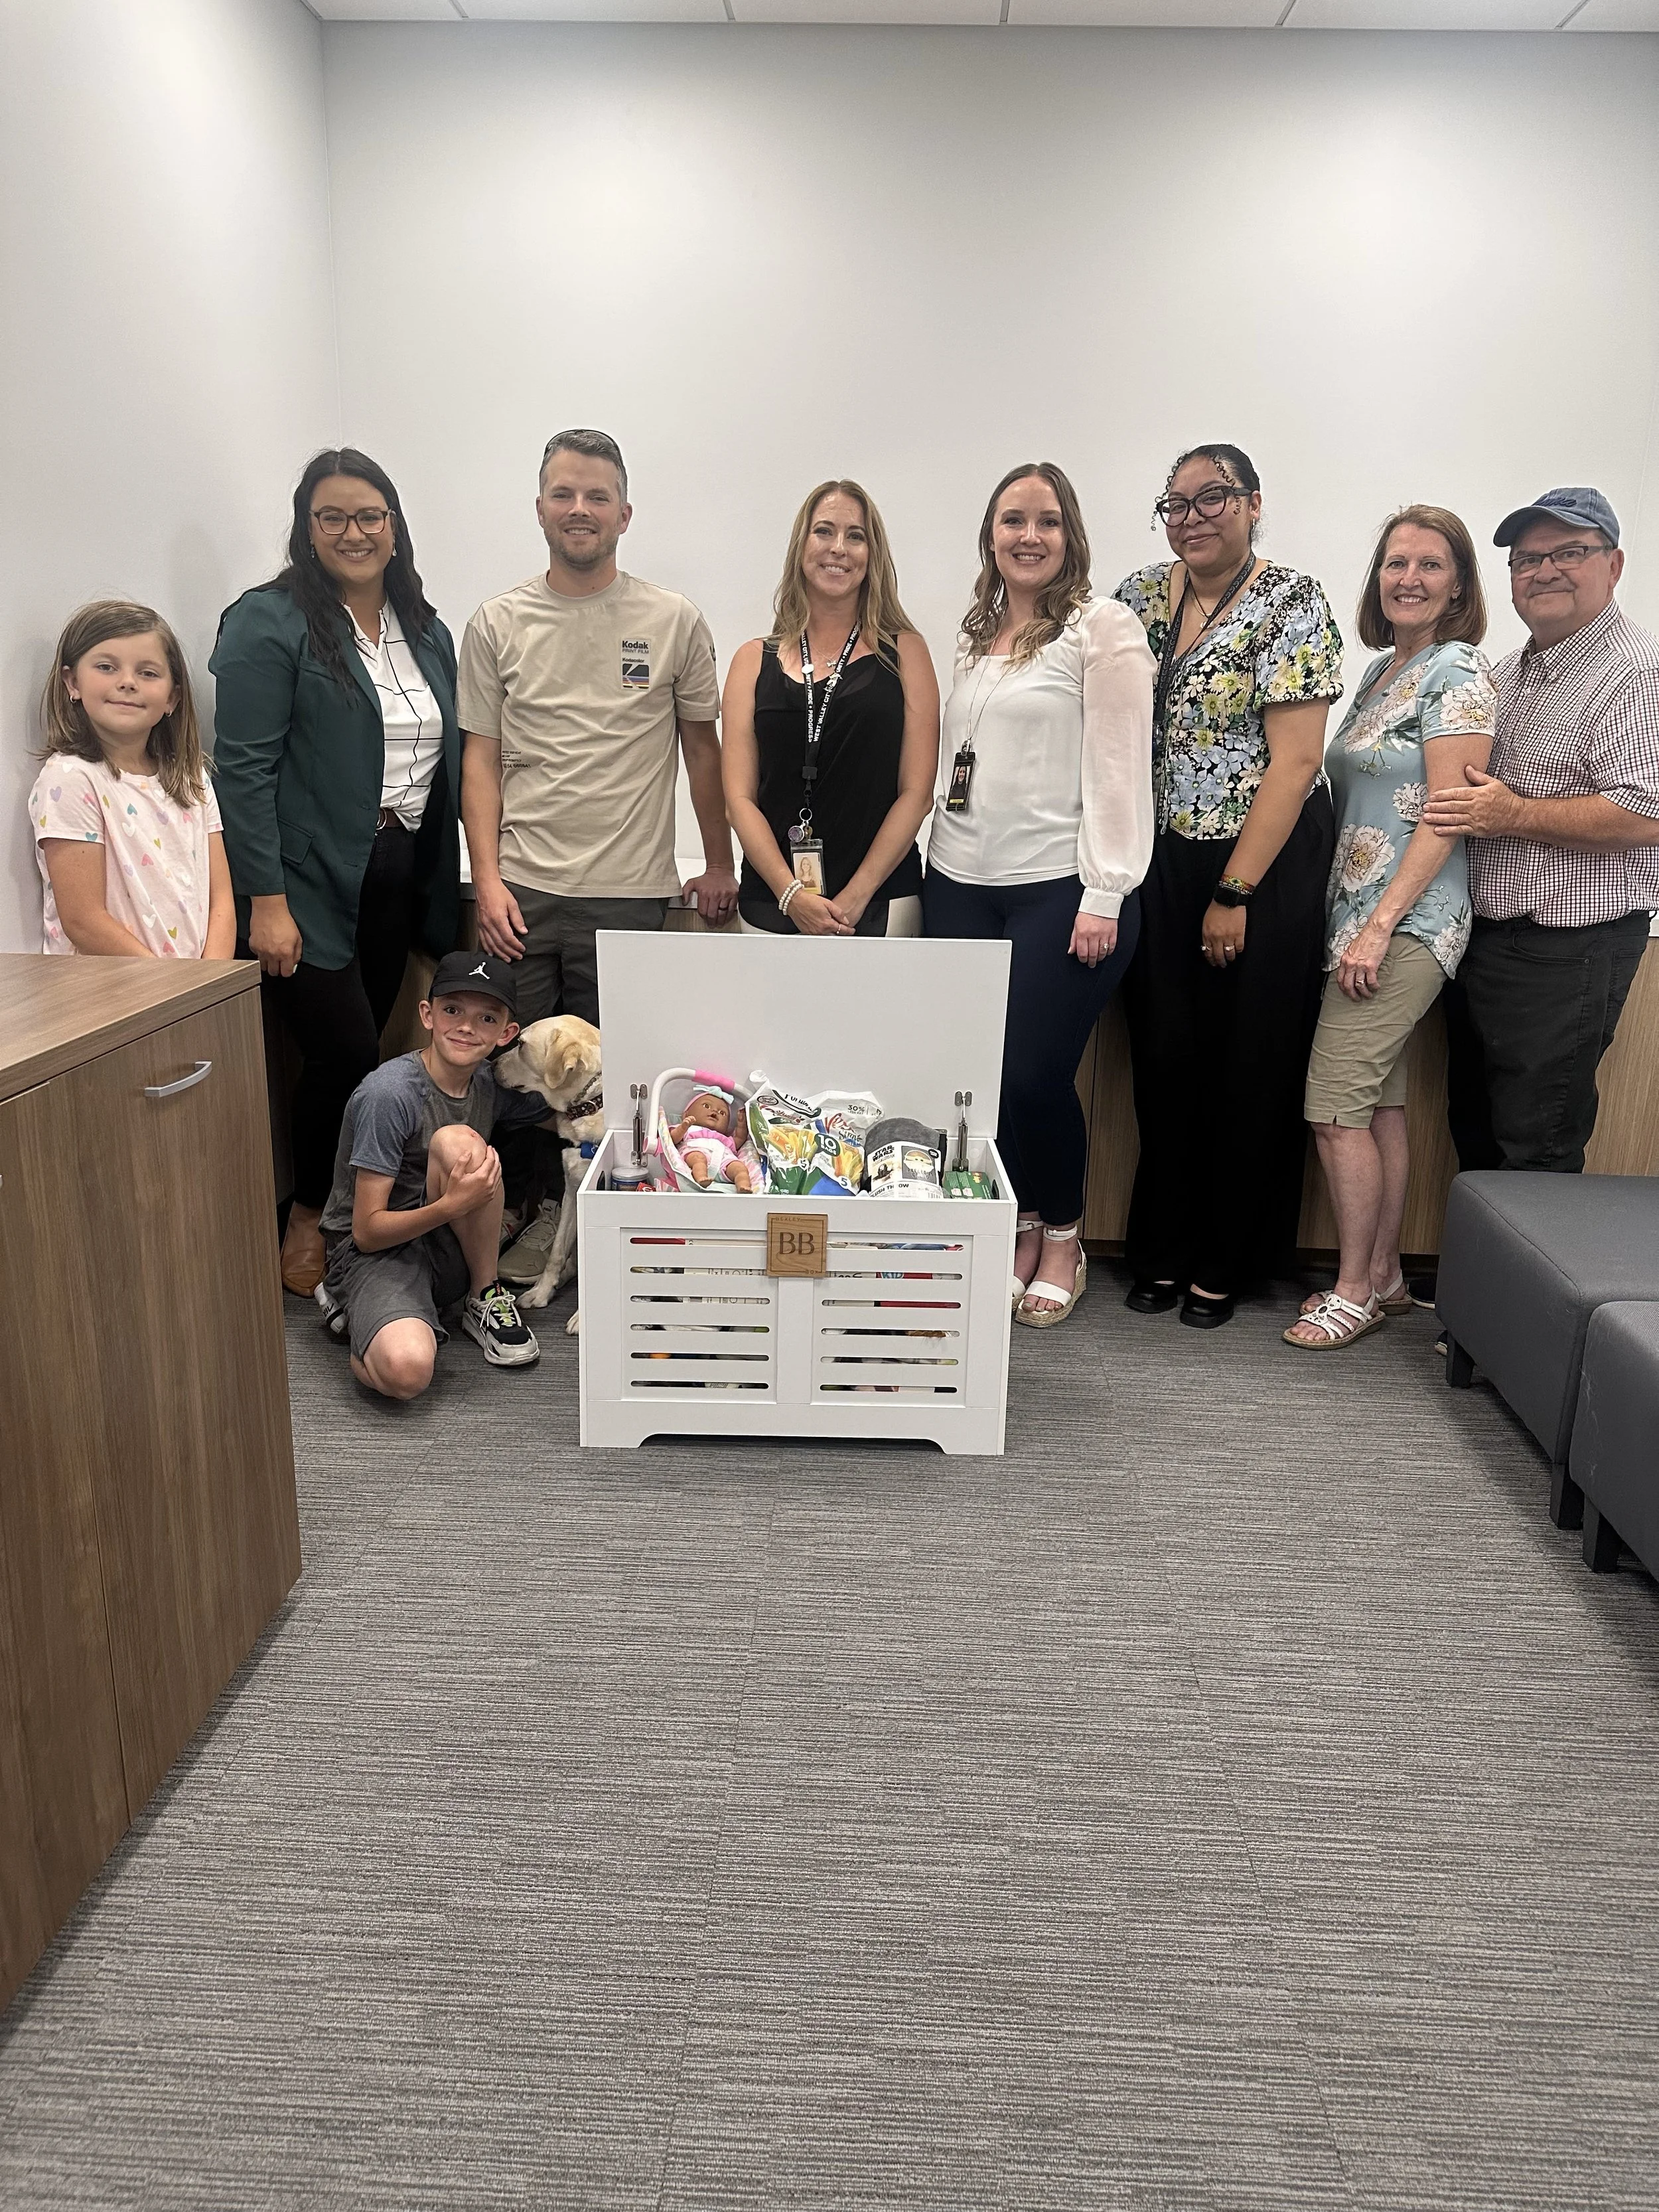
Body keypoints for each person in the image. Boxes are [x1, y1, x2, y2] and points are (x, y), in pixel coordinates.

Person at [459, 427, 736, 1283]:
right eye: (563, 494)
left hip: (627, 895)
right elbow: (480, 760)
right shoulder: (498, 622)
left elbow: (702, 750)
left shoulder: (672, 620)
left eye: (596, 496)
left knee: (618, 1090)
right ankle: (537, 1219)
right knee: (512, 1084)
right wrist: (488, 880)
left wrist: (720, 862)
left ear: (624, 512)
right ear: (540, 506)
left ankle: (616, 1241)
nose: (579, 510)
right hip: (525, 893)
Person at [212, 448, 463, 1298]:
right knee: (349, 1053)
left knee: (365, 1053)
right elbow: (241, 770)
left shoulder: (425, 629)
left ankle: (361, 1212)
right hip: (306, 881)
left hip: (398, 869)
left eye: (370, 516)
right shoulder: (267, 621)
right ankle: (308, 1217)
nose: (354, 532)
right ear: (306, 528)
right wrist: (267, 903)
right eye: (333, 517)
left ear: (394, 527)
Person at [1114, 443, 1343, 1329]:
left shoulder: (1292, 600)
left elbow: (1295, 763)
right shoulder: (1137, 598)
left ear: (1253, 504)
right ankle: (1161, 1249)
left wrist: (1235, 892)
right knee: (1166, 1061)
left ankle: (1227, 1260)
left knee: (1250, 1065)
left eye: (1213, 498)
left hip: (1263, 863)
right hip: (1160, 859)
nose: (1193, 516)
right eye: (1176, 503)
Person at [923, 461, 1155, 1327]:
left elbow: (1123, 766)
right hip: (957, 883)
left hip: (1059, 885)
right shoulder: (973, 628)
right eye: (1013, 519)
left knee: (1030, 1074)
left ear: (1071, 536)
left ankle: (1064, 1232)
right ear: (991, 534)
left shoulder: (1103, 627)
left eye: (1047, 521)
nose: (1029, 535)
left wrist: (1105, 889)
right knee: (978, 1077)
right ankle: (1018, 1220)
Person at [1285, 508, 1494, 1351]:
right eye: (1394, 562)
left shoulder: (1458, 672)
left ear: (1458, 583)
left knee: (1334, 1109)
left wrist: (1378, 927)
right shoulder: (1381, 672)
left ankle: (1350, 1290)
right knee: (1379, 1107)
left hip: (1406, 921)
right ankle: (1385, 1275)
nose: (1408, 577)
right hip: (1356, 917)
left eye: (1430, 565)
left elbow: (1449, 815)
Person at [1425, 487, 1659, 1175]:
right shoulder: (1508, 670)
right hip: (1487, 942)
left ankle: (1519, 1288)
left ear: (1612, 565)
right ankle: (1474, 1285)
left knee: (1535, 1145)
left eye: (1569, 552)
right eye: (1527, 559)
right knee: (1475, 1130)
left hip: (1567, 952)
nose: (1544, 571)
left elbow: (1648, 813)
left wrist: (1515, 814)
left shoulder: (1633, 675)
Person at [317, 952, 547, 1400]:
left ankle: (484, 1294)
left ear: (506, 1034)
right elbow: (365, 1232)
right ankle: (350, 1305)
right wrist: (449, 1207)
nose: (466, 1026)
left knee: (462, 1144)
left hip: (444, 1242)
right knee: (408, 1372)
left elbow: (563, 1106)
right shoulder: (390, 1094)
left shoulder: (488, 1082)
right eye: (453, 1010)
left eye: (486, 1017)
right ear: (428, 1014)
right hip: (375, 1254)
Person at [721, 479, 938, 938]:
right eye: (824, 531)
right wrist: (791, 895)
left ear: (871, 554)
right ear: (802, 546)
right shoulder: (750, 661)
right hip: (772, 905)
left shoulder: (906, 654)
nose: (839, 548)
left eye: (855, 536)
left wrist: (856, 896)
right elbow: (739, 800)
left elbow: (916, 794)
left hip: (880, 904)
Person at [30, 599, 234, 959]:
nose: (127, 683)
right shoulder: (71, 779)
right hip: (115, 997)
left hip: (194, 990)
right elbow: (83, 920)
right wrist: (172, 989)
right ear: (72, 682)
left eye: (148, 673)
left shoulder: (192, 778)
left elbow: (221, 902)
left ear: (172, 698)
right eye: (107, 667)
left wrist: (208, 985)